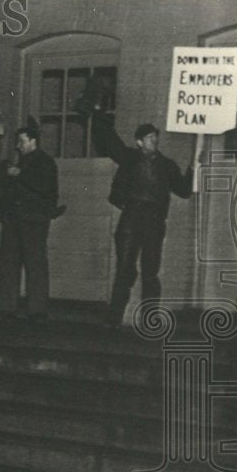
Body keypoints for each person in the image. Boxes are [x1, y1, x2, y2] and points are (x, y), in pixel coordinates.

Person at [81, 91, 194, 327]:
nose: (154, 140)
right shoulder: (129, 158)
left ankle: (150, 320)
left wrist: (194, 168)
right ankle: (114, 318)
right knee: (125, 270)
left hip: (154, 221)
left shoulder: (167, 166)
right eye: (149, 137)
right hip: (131, 219)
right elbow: (110, 142)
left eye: (155, 137)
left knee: (151, 272)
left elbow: (183, 191)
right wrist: (99, 113)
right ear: (139, 142)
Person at [0, 126, 58, 322]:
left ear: (33, 141)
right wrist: (5, 170)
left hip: (34, 220)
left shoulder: (45, 163)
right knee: (8, 263)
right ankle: (6, 308)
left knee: (35, 264)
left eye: (22, 141)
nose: (18, 146)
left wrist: (19, 174)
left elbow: (44, 187)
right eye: (17, 142)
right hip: (13, 220)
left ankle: (37, 311)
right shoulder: (15, 163)